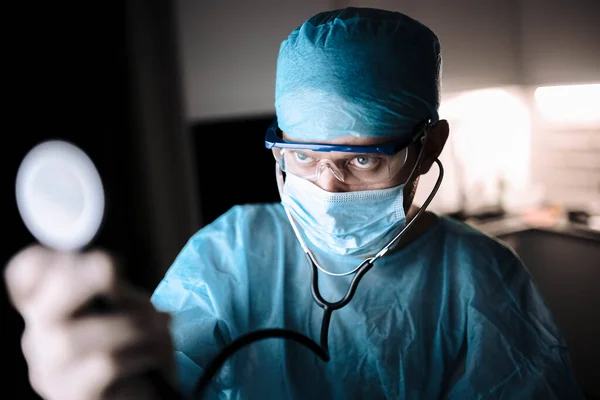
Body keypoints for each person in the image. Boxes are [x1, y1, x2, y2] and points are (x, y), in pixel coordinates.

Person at [5, 7, 584, 400]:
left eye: (361, 160)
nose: (326, 190)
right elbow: (164, 373)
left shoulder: (482, 277)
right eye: (303, 157)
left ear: (428, 146)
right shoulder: (230, 253)